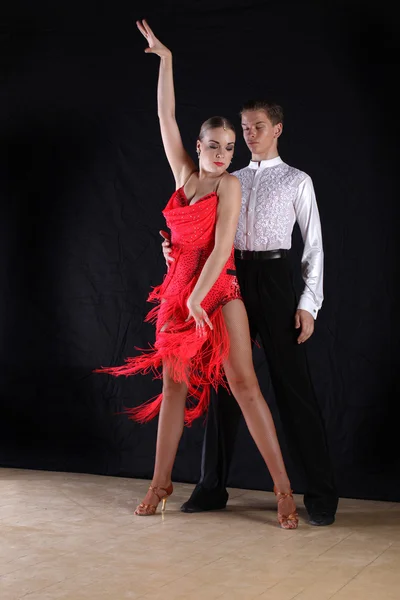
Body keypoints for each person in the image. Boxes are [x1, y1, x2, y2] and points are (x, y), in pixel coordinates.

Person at [96, 20, 298, 529]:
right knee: (173, 387)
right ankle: (161, 483)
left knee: (244, 383)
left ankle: (282, 488)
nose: (224, 153)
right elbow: (164, 114)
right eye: (215, 145)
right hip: (178, 290)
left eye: (231, 147)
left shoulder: (229, 187)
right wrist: (165, 59)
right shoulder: (185, 177)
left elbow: (223, 247)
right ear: (199, 144)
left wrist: (197, 299)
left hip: (218, 288)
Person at [162, 101, 339, 527]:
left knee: (292, 387)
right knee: (223, 387)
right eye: (245, 128)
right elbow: (204, 238)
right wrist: (173, 251)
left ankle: (319, 493)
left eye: (259, 126)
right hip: (230, 278)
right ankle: (211, 486)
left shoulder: (298, 180)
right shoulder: (228, 179)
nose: (250, 134)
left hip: (276, 279)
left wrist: (307, 303)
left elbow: (313, 246)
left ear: (277, 129)